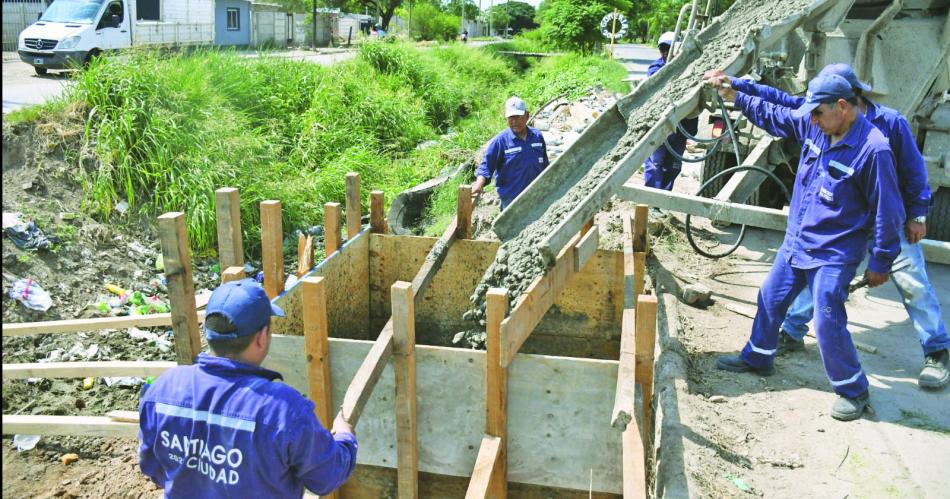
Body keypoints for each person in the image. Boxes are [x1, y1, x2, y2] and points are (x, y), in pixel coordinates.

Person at [705, 64, 949, 389]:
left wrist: (916, 215)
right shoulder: (820, 121)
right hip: (838, 224)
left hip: (884, 219)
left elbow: (912, 172)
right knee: (812, 288)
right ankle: (787, 335)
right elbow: (781, 106)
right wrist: (737, 90)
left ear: (845, 102)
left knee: (911, 282)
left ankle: (936, 350)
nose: (813, 117)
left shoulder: (886, 128)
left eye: (818, 110)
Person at [138, 279, 358, 497]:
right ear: (261, 337)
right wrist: (344, 437)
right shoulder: (284, 410)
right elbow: (327, 477)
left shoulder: (164, 387)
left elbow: (153, 467)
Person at [643, 31, 699, 191]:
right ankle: (651, 201)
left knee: (674, 166)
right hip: (660, 125)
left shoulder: (691, 68)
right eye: (663, 49)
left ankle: (663, 200)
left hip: (680, 128)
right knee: (655, 163)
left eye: (669, 48)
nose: (666, 52)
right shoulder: (656, 69)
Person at [472, 96, 550, 209]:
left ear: (527, 115)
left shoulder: (537, 136)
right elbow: (486, 166)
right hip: (512, 202)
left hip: (538, 196)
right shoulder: (501, 141)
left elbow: (545, 165)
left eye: (518, 117)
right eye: (511, 118)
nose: (514, 122)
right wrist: (479, 184)